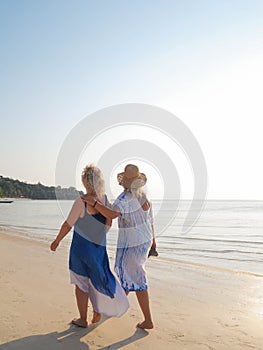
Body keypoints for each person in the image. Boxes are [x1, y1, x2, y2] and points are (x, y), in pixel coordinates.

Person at [50, 164, 129, 328]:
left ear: (85, 182)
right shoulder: (104, 200)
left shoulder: (81, 201)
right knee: (95, 280)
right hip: (98, 249)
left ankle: (82, 319)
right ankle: (97, 310)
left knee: (81, 284)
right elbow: (108, 223)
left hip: (80, 250)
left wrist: (57, 241)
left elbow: (68, 224)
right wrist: (100, 236)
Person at [82, 164, 154, 329]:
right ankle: (115, 308)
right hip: (144, 241)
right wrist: (154, 242)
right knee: (127, 275)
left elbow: (113, 214)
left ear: (124, 183)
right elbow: (150, 220)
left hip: (132, 243)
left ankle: (148, 320)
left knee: (137, 277)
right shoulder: (144, 197)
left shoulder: (125, 198)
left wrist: (93, 203)